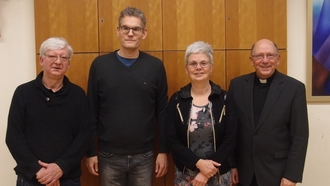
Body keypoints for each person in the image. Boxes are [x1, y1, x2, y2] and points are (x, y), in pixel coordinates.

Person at [85, 6, 168, 186]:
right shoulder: (100, 66)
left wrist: (163, 151)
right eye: (125, 28)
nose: (130, 33)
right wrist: (90, 151)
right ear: (118, 31)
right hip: (108, 155)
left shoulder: (155, 67)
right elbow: (91, 111)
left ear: (143, 33)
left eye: (136, 29)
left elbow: (162, 112)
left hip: (144, 156)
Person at [6, 37, 93, 186]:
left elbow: (84, 136)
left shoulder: (78, 95)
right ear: (41, 60)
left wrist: (60, 167)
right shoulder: (23, 93)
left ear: (68, 64)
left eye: (63, 57)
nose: (58, 61)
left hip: (67, 178)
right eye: (52, 56)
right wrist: (38, 171)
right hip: (31, 178)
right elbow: (14, 137)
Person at [228, 39, 309, 186]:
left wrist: (291, 175)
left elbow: (300, 137)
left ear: (278, 59)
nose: (265, 61)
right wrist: (232, 165)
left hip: (277, 174)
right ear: (251, 60)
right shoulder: (237, 86)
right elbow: (231, 130)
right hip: (244, 173)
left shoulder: (294, 89)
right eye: (259, 56)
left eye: (270, 55)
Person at [166, 41, 236, 186]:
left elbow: (231, 138)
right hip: (186, 175)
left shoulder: (225, 99)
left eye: (203, 63)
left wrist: (207, 171)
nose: (198, 68)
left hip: (219, 174)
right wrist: (198, 164)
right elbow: (171, 139)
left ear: (211, 67)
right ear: (186, 69)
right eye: (193, 64)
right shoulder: (177, 99)